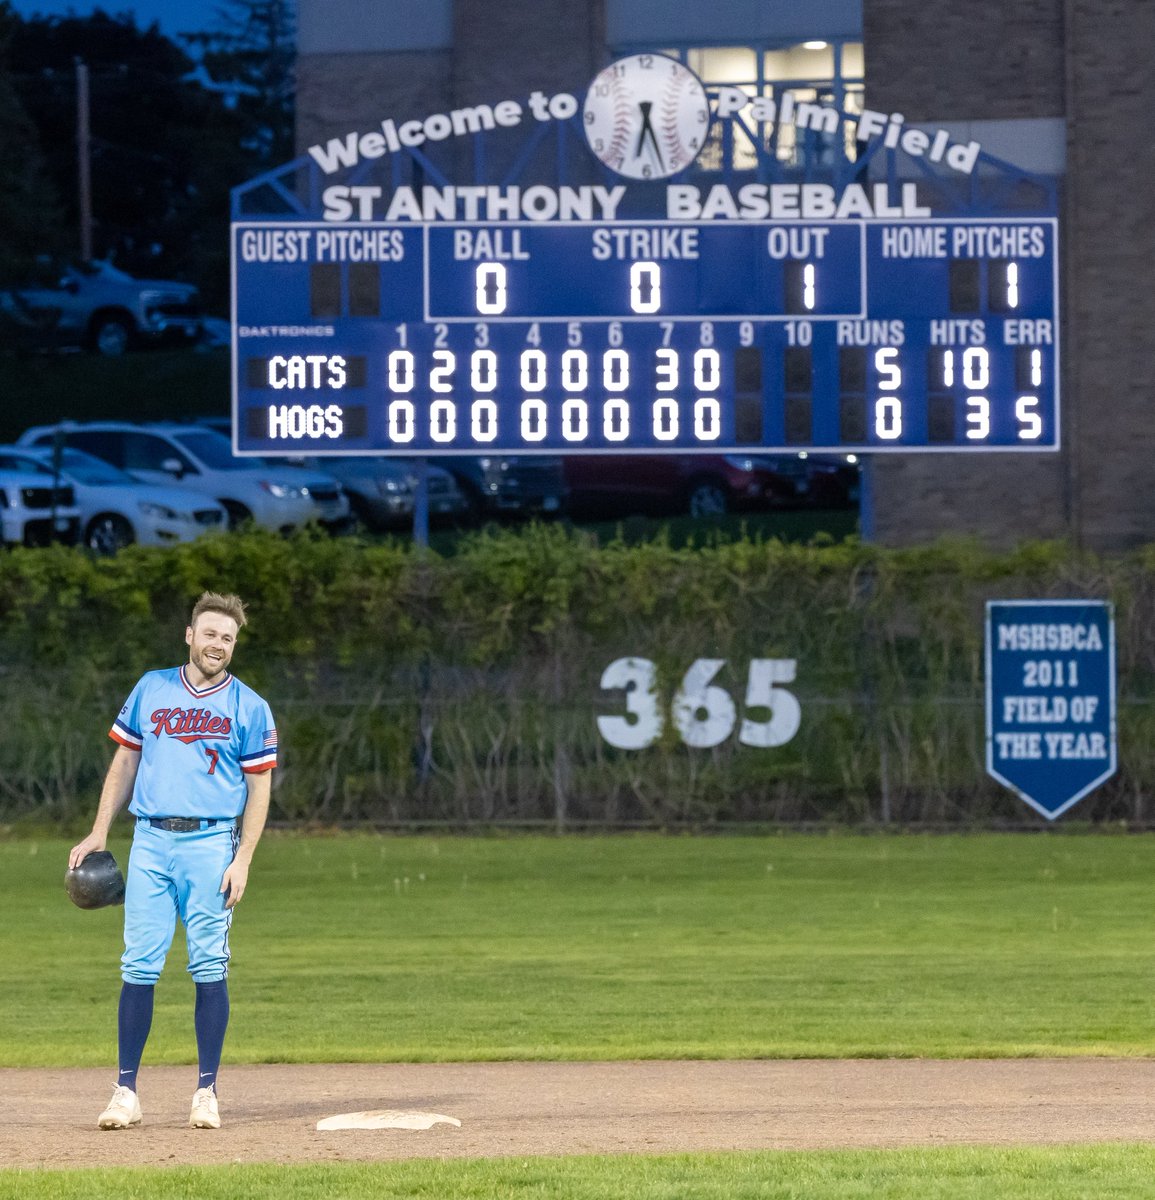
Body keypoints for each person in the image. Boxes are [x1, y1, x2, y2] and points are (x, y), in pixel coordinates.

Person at [68, 591, 277, 1131]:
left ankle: (206, 1092)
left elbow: (259, 789)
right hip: (151, 843)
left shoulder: (249, 707)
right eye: (210, 634)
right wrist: (98, 831)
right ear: (189, 635)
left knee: (208, 964)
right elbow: (126, 760)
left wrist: (244, 858)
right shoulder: (152, 688)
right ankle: (125, 1092)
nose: (218, 645)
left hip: (211, 845)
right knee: (139, 964)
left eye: (227, 638)